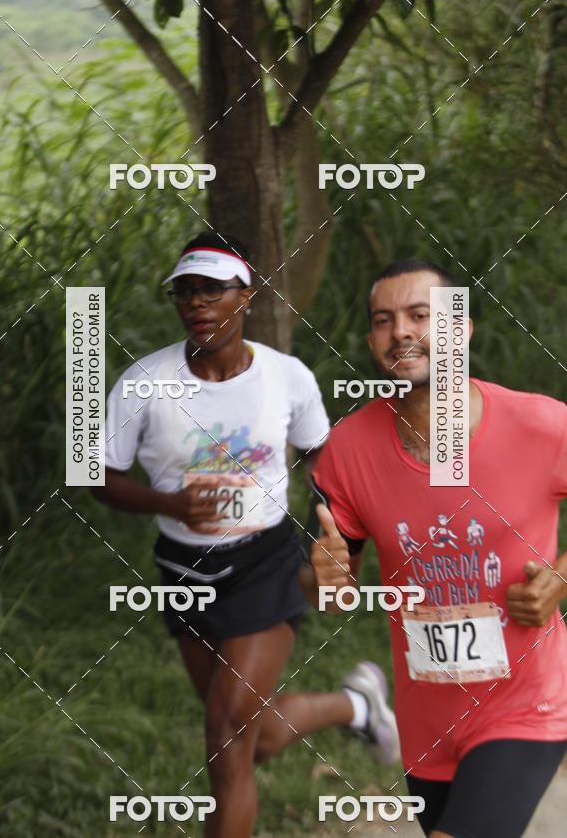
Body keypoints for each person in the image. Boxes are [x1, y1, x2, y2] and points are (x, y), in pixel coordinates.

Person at [91, 231, 399, 838]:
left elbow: (326, 468)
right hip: (181, 571)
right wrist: (170, 501)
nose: (197, 303)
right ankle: (356, 705)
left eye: (212, 289)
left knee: (226, 737)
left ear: (246, 295)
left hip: (263, 562)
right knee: (243, 741)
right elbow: (98, 476)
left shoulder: (286, 377)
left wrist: (336, 545)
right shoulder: (144, 382)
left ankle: (357, 707)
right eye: (185, 292)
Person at [301, 258, 567, 838]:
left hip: (527, 706)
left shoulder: (541, 426)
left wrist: (563, 577)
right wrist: (323, 579)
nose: (400, 331)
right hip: (428, 725)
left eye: (421, 315)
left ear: (461, 329)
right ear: (372, 340)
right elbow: (332, 595)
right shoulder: (347, 450)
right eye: (383, 320)